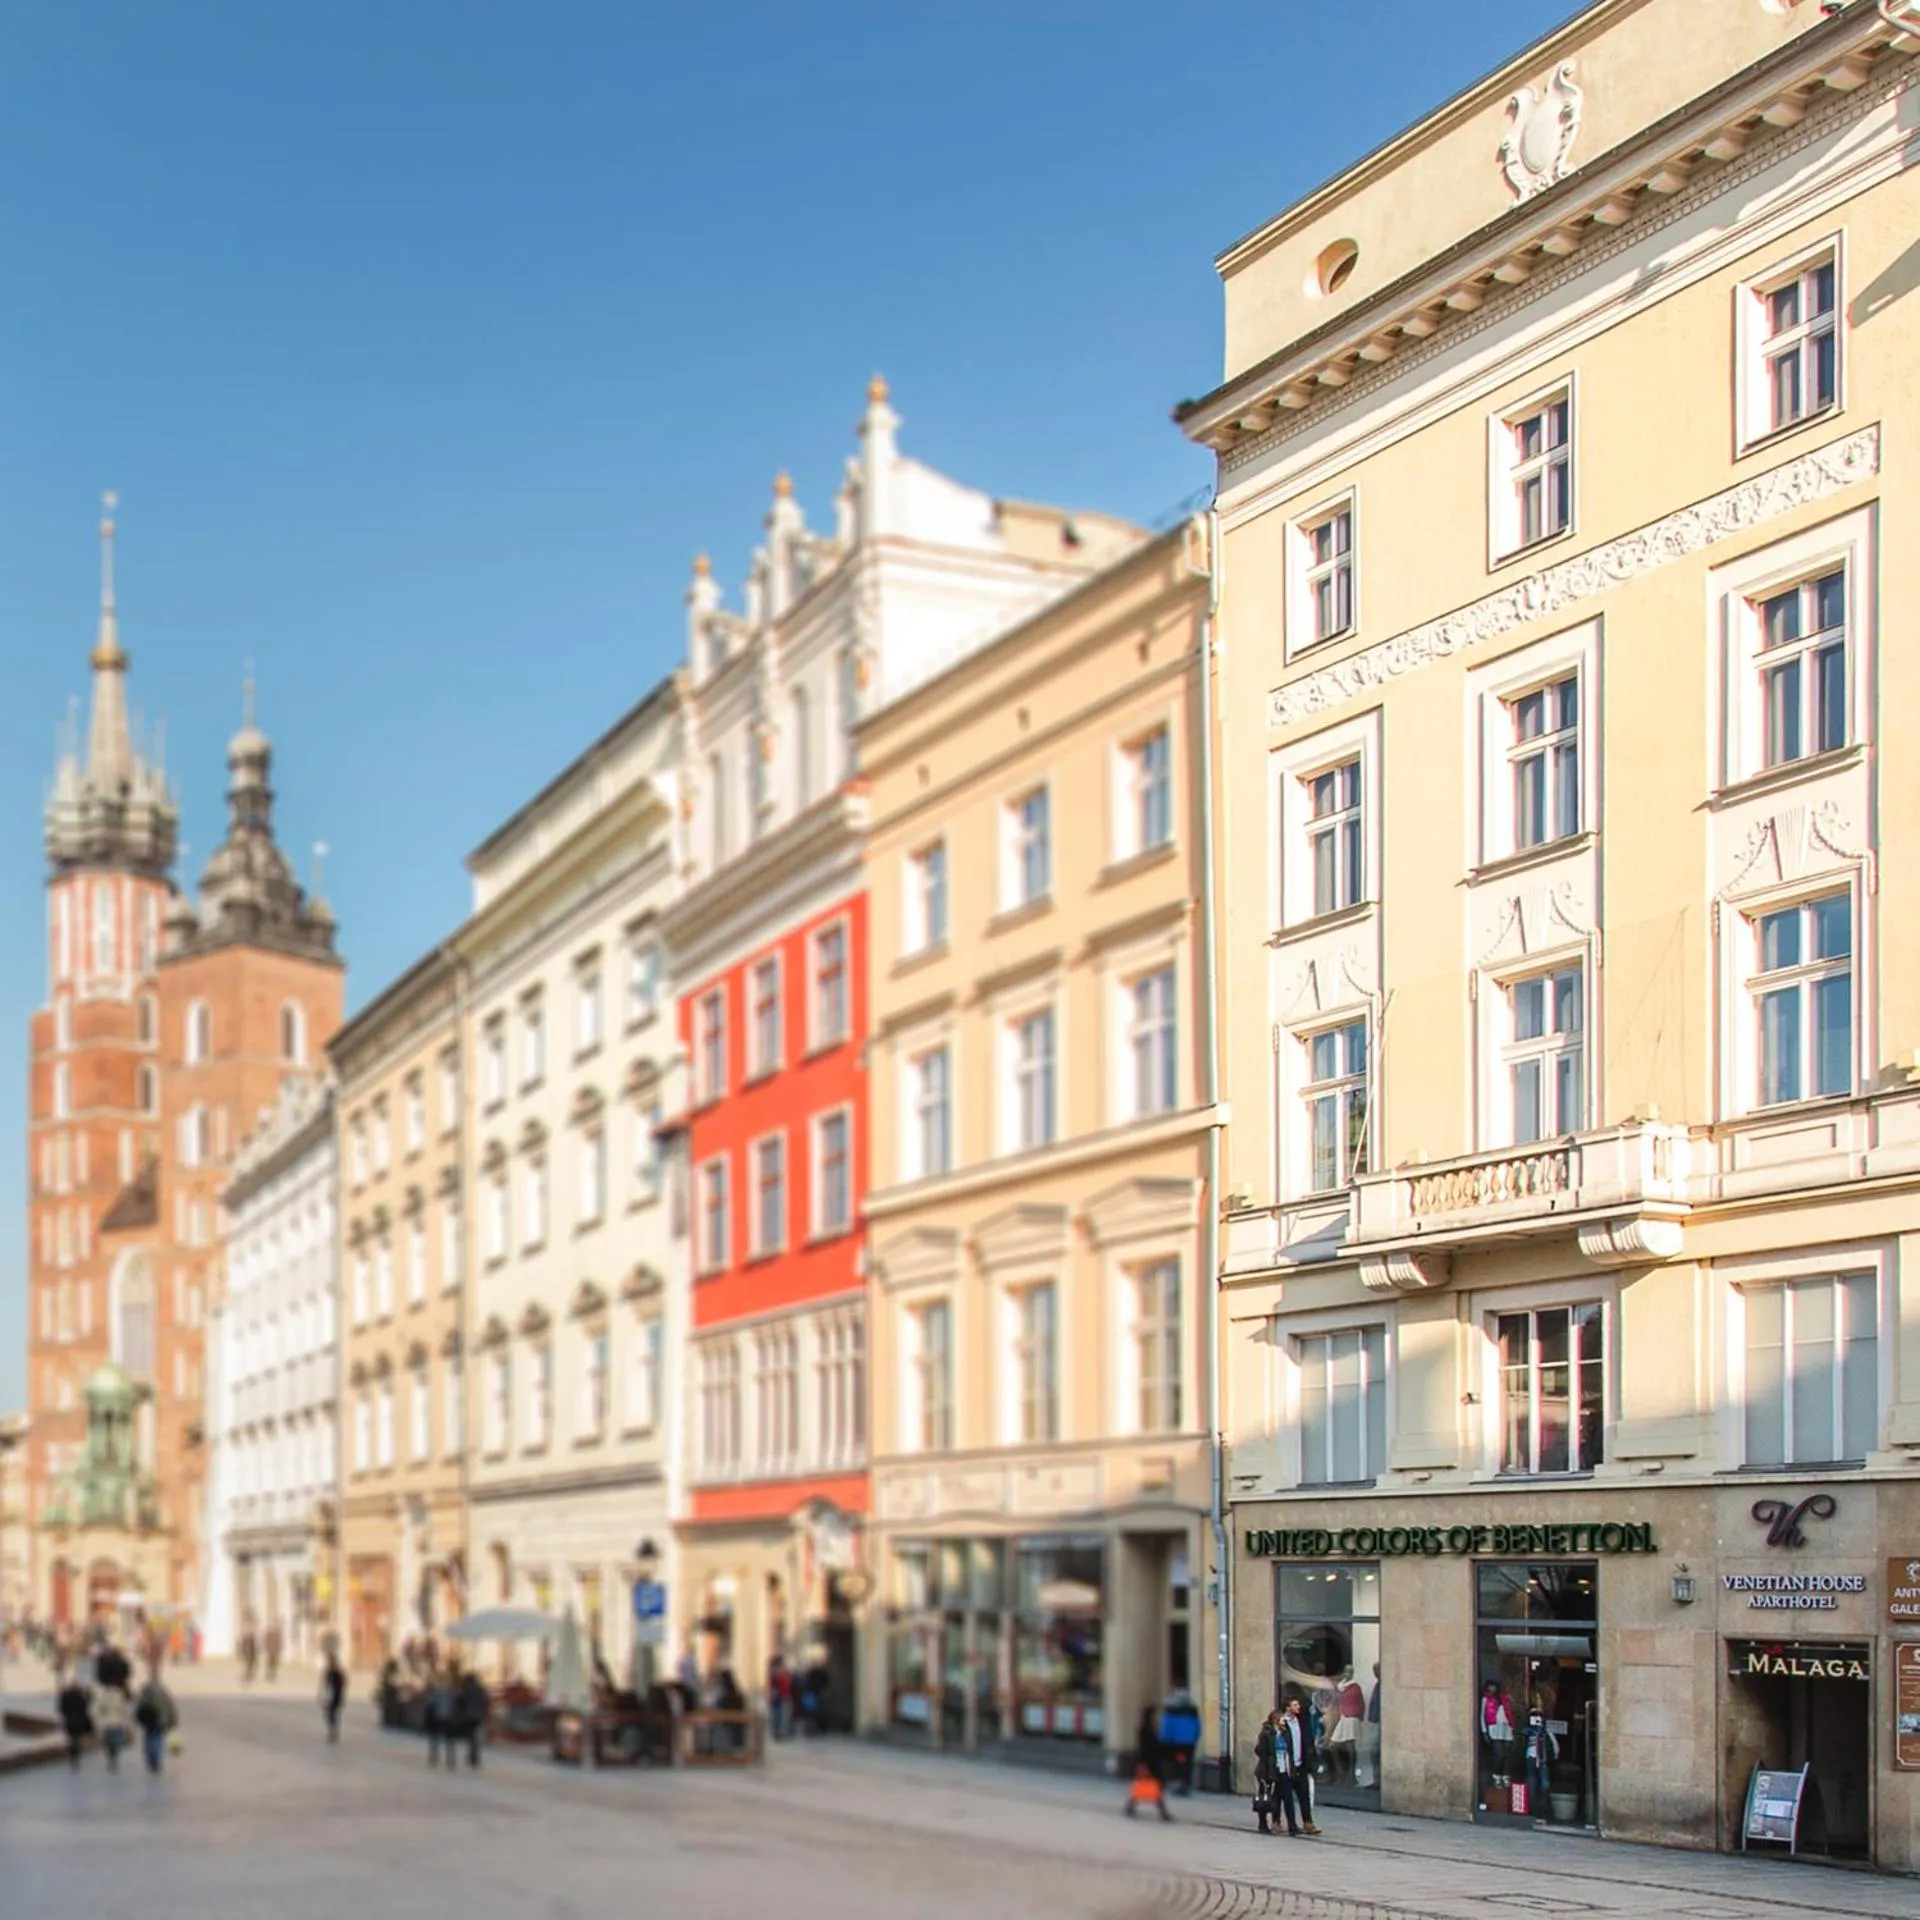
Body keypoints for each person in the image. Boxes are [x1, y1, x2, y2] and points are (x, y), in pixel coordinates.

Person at [1252, 1706, 1298, 1836]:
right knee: (1266, 1797)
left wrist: (1292, 1768)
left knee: (1287, 1797)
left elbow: (1290, 1750)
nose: (1284, 1721)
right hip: (1268, 1770)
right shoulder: (1267, 1733)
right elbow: (1260, 1751)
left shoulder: (1285, 1732)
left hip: (1284, 1768)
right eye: (1282, 1719)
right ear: (1276, 1720)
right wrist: (1268, 1762)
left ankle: (1292, 1825)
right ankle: (1263, 1823)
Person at [1125, 1704, 1171, 1821]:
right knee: (1156, 1785)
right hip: (1149, 1762)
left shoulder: (1148, 1729)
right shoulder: (1146, 1729)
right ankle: (1162, 1812)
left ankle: (1131, 1806)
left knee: (1150, 1785)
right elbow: (1146, 1748)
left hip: (1151, 1761)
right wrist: (1143, 1763)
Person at [1285, 1695, 1323, 1834]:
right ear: (1288, 1707)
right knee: (1284, 1796)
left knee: (1304, 1795)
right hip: (1286, 1766)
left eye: (1298, 1705)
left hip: (1300, 1764)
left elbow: (1307, 1741)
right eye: (1294, 1705)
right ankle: (1286, 1823)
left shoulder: (1301, 1722)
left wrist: (1310, 1760)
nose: (1298, 1708)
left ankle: (1308, 1822)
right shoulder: (1283, 1723)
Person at [134, 1669, 178, 1774]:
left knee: (149, 1739)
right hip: (160, 1720)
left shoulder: (144, 1691)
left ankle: (151, 1760)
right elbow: (170, 1707)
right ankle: (157, 1761)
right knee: (158, 1740)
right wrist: (173, 1720)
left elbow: (139, 1706)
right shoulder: (164, 1692)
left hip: (148, 1720)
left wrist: (136, 1718)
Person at [1522, 1700, 1558, 1814]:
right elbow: (1522, 1734)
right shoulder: (1527, 1728)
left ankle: (1543, 1807)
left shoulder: (1546, 1728)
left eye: (1539, 1715)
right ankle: (1533, 1809)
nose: (1536, 1718)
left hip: (1542, 1758)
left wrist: (1555, 1753)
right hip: (1531, 1757)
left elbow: (1554, 1741)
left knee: (1545, 1784)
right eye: (1534, 1715)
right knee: (1531, 1782)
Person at [56, 1669, 93, 1770]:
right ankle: (75, 1756)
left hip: (69, 1721)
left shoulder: (65, 1696)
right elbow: (86, 1705)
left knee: (72, 1739)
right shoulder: (80, 1696)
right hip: (79, 1721)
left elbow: (61, 1709)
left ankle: (73, 1757)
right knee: (76, 1739)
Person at [95, 1676, 133, 1772]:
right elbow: (123, 1708)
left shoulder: (103, 1695)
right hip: (117, 1721)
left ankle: (111, 1757)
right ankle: (114, 1757)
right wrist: (126, 1721)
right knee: (116, 1741)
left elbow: (99, 1708)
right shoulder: (119, 1694)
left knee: (108, 1741)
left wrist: (99, 1719)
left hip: (106, 1722)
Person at [425, 1666, 458, 1769]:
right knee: (449, 1741)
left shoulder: (436, 1693)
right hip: (448, 1718)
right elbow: (455, 1705)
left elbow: (430, 1705)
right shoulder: (451, 1693)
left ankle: (434, 1758)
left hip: (437, 1718)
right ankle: (450, 1760)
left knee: (435, 1739)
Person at [457, 1667, 490, 1769]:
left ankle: (472, 1754)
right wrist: (485, 1714)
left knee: (470, 1736)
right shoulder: (480, 1689)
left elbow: (461, 1702)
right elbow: (486, 1702)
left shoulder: (466, 1689)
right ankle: (475, 1755)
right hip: (478, 1716)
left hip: (468, 1716)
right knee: (476, 1736)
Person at [321, 1648, 347, 1743]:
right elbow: (324, 1683)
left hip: (336, 1695)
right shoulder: (330, 1672)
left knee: (332, 1714)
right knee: (331, 1714)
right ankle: (333, 1731)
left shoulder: (336, 1672)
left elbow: (343, 1683)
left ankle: (333, 1732)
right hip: (332, 1695)